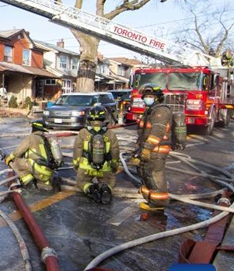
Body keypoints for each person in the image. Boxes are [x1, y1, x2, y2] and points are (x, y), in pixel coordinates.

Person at [130, 84, 172, 212]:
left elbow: (158, 132)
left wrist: (147, 148)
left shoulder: (160, 111)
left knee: (154, 174)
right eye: (146, 96)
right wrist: (138, 149)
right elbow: (143, 132)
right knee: (146, 172)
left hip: (157, 149)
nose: (147, 98)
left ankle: (158, 203)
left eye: (150, 96)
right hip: (149, 148)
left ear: (158, 98)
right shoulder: (150, 110)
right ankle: (151, 198)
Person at [72, 104, 121, 204]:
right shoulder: (110, 134)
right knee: (109, 182)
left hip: (86, 167)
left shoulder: (83, 133)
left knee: (82, 182)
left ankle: (90, 189)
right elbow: (115, 151)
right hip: (105, 167)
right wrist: (114, 165)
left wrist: (76, 164)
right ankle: (105, 188)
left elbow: (77, 149)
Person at [5, 120, 62, 191]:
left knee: (16, 162)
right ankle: (44, 184)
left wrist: (9, 158)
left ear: (34, 128)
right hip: (48, 172)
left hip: (38, 169)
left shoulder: (32, 137)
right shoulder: (46, 139)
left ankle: (29, 183)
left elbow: (18, 152)